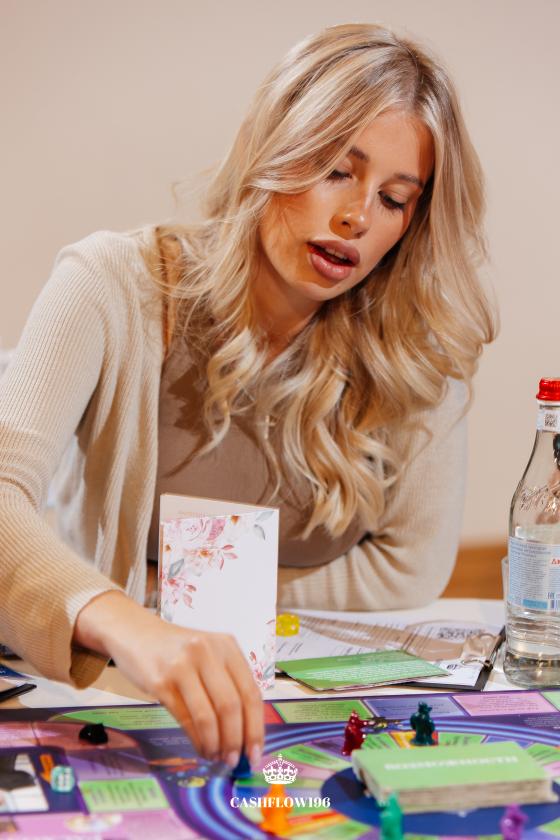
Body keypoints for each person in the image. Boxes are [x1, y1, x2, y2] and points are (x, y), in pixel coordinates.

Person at [0, 23, 495, 766]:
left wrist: (188, 598)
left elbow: (408, 568)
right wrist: (131, 621)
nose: (359, 217)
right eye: (337, 169)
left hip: (278, 693)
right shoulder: (109, 284)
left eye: (395, 199)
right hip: (88, 681)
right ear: (273, 149)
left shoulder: (417, 351)